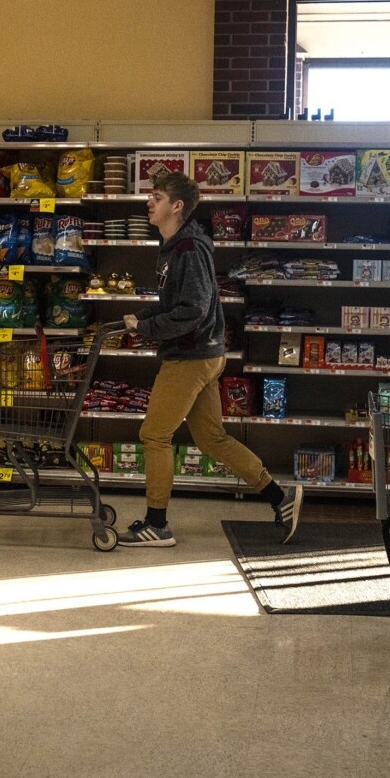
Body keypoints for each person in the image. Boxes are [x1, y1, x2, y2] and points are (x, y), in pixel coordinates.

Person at [117, 171, 302, 547]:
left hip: (190, 356)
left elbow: (194, 309)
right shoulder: (175, 246)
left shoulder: (187, 248)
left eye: (156, 196)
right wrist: (146, 317)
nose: (148, 202)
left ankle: (157, 523)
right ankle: (279, 499)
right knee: (212, 438)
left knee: (154, 434)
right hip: (204, 354)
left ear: (177, 205)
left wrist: (147, 327)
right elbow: (182, 304)